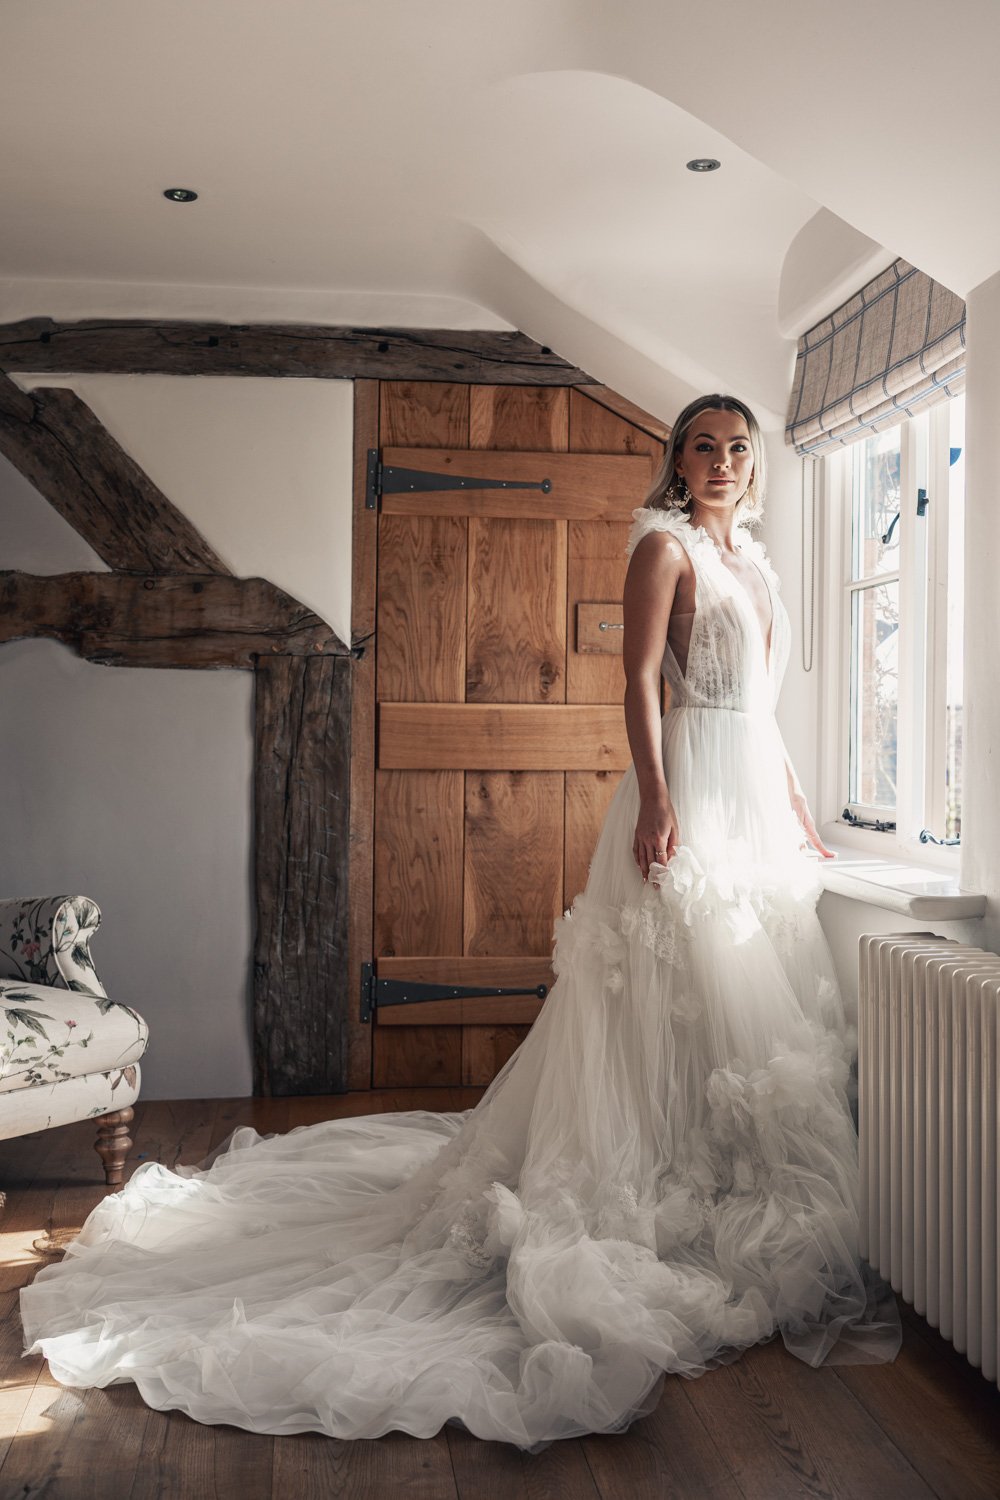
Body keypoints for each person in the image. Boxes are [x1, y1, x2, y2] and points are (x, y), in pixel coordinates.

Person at [20, 393, 902, 1452]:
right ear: (677, 461)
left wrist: (801, 808)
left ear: (755, 468)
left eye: (736, 449)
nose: (720, 462)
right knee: (661, 990)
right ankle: (643, 1180)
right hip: (691, 785)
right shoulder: (663, 548)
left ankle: (714, 1177)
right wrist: (659, 802)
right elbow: (634, 681)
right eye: (702, 447)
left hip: (755, 791)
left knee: (735, 1003)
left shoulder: (756, 562)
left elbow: (763, 708)